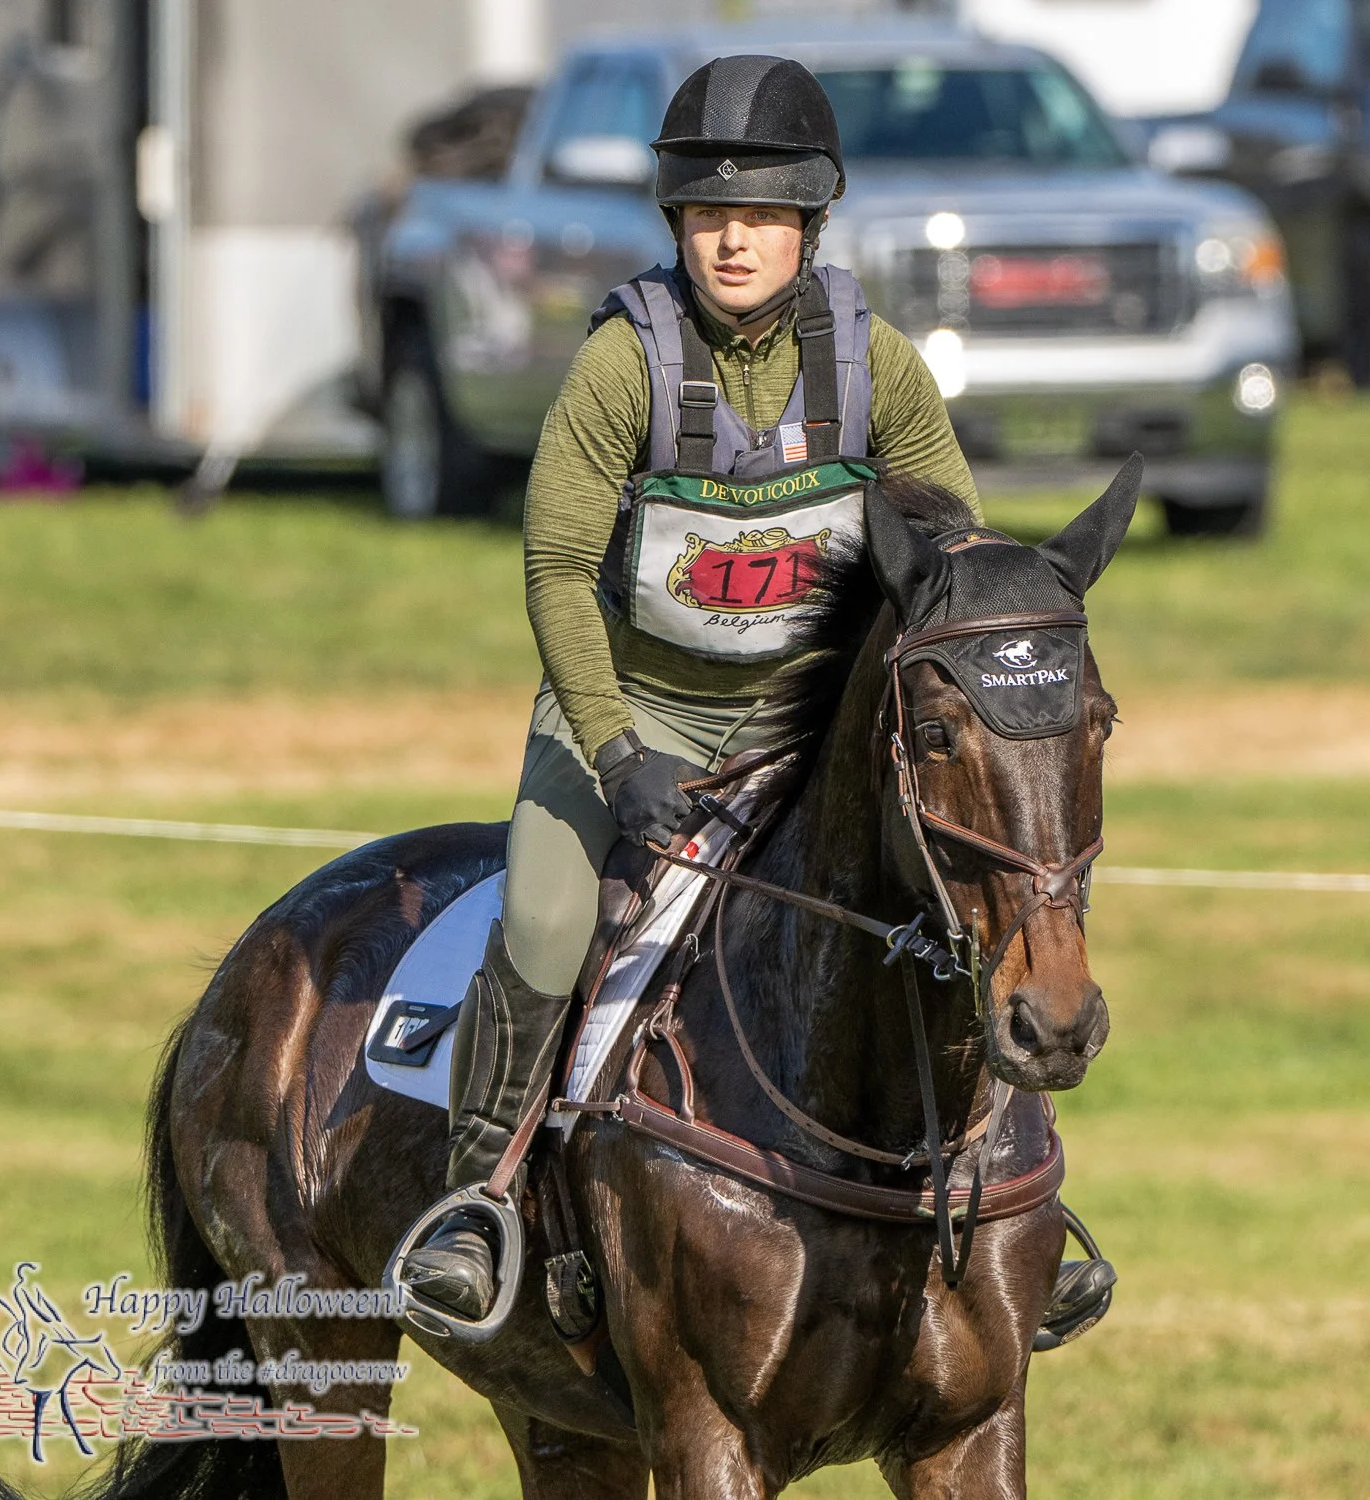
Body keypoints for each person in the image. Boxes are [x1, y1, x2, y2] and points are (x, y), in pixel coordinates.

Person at [399, 55, 1115, 1345]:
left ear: (810, 225)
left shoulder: (878, 367)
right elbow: (556, 571)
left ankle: (1019, 1204)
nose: (734, 240)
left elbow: (949, 557)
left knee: (953, 892)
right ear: (677, 222)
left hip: (807, 720)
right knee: (552, 919)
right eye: (710, 215)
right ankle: (478, 1199)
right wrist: (613, 753)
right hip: (638, 709)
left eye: (764, 215)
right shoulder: (621, 366)